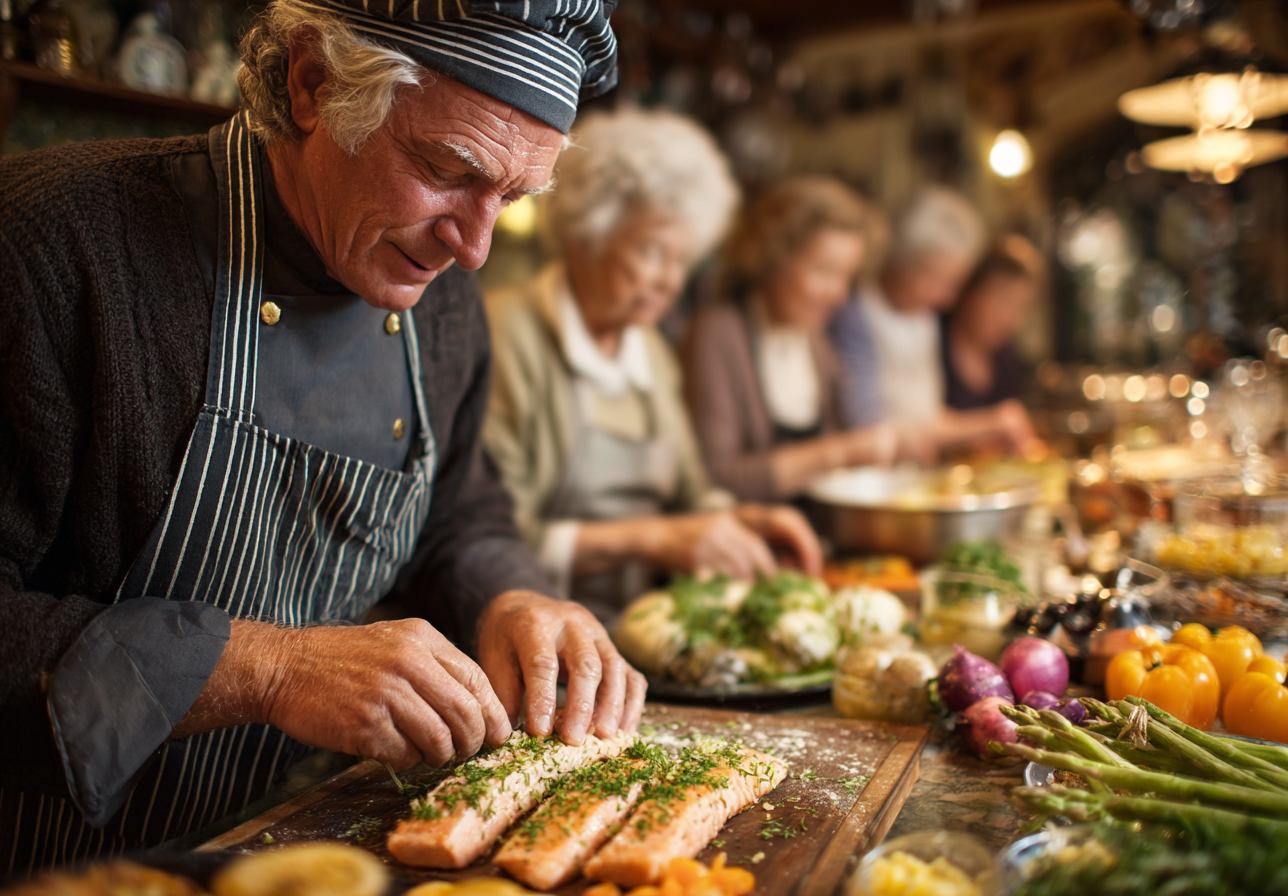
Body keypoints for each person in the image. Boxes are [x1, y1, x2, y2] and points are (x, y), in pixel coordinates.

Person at [0, 0, 643, 872]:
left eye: (512, 198)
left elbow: (459, 515)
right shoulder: (49, 247)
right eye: (448, 168)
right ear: (314, 82)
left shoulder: (442, 302)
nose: (476, 247)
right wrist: (268, 668)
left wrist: (510, 597)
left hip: (309, 852)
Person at [483, 110, 821, 624]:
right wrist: (653, 539)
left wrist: (742, 521)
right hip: (528, 625)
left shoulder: (651, 350)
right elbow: (487, 537)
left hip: (636, 625)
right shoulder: (506, 332)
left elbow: (690, 493)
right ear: (584, 236)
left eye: (682, 260)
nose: (670, 282)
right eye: (651, 252)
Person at [682, 177, 932, 503]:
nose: (839, 295)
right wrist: (839, 453)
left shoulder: (815, 342)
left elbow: (855, 432)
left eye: (847, 276)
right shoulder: (717, 333)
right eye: (824, 272)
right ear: (771, 256)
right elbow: (716, 478)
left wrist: (893, 443)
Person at [831, 186, 1039, 455]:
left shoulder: (923, 317)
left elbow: (926, 414)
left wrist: (986, 430)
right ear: (901, 260)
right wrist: (989, 423)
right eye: (936, 280)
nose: (947, 299)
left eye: (953, 283)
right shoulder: (854, 315)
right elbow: (871, 432)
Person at [942, 235, 1044, 411]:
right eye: (1004, 301)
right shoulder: (931, 344)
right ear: (970, 290)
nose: (1012, 321)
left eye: (1020, 307)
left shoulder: (1006, 360)